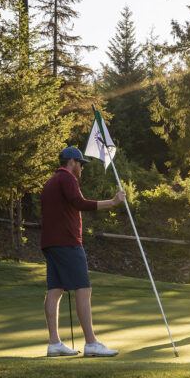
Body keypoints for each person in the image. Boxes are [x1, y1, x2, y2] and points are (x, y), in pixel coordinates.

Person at [40, 146, 126, 357]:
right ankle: (91, 343)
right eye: (81, 164)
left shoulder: (50, 182)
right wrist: (112, 202)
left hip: (51, 244)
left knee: (55, 290)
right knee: (83, 288)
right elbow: (79, 203)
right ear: (72, 162)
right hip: (67, 242)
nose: (82, 168)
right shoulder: (67, 179)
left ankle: (54, 343)